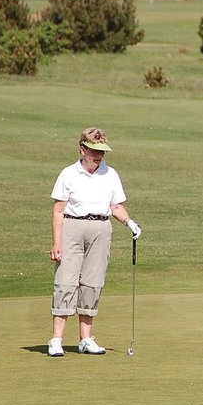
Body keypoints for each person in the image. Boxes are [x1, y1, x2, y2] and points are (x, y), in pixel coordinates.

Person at [48, 127, 141, 357]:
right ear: (83, 149)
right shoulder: (69, 174)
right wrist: (56, 242)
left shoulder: (110, 174)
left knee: (92, 284)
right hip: (72, 227)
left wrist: (129, 222)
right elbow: (58, 211)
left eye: (102, 152)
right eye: (94, 151)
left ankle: (86, 339)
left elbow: (116, 206)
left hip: (101, 229)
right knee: (66, 283)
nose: (99, 156)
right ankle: (56, 340)